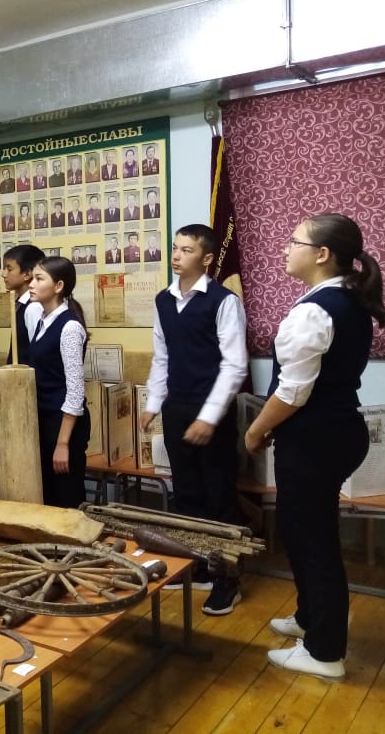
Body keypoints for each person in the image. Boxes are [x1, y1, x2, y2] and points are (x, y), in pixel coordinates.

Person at [245, 213, 385, 681]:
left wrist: (255, 431)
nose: (286, 248)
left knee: (314, 541)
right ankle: (309, 618)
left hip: (316, 439)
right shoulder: (343, 297)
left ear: (322, 254)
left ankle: (325, 652)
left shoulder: (317, 309)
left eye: (294, 241)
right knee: (300, 529)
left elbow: (292, 391)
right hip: (332, 433)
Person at [141, 224, 248, 615]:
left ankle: (227, 580)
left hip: (212, 412)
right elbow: (162, 357)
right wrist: (153, 403)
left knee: (219, 495)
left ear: (206, 258)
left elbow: (235, 365)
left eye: (186, 250)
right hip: (177, 408)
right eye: (175, 248)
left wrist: (209, 417)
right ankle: (198, 567)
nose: (176, 255)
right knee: (186, 494)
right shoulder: (163, 300)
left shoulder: (223, 301)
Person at [24, 256, 90, 507]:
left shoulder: (69, 327)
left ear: (59, 286)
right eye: (32, 278)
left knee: (67, 499)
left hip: (63, 424)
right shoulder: (42, 320)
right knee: (49, 497)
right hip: (45, 419)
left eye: (39, 279)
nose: (31, 284)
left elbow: (75, 392)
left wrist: (62, 443)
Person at [2, 244, 45, 364]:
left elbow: (38, 354)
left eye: (9, 269)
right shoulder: (21, 303)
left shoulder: (34, 307)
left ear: (27, 274)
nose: (3, 274)